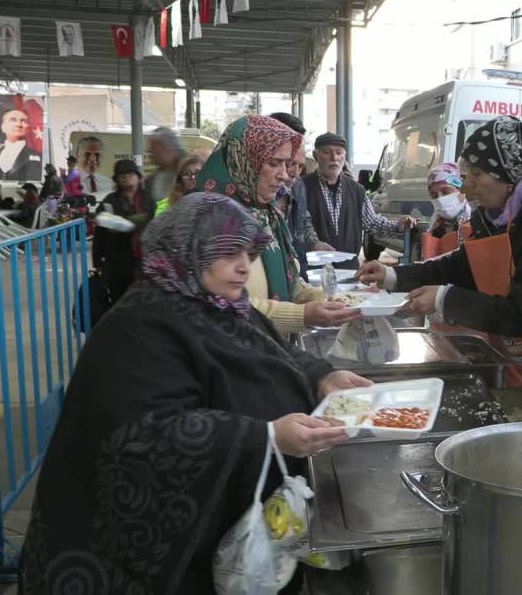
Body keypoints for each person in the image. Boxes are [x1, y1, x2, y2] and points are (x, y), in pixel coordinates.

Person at [19, 192, 374, 594]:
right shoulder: (139, 327)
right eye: (228, 255)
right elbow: (146, 436)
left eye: (249, 253)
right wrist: (268, 436)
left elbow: (274, 351)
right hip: (143, 560)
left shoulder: (220, 303)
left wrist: (322, 376)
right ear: (185, 250)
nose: (244, 268)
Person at [358, 116, 522, 424]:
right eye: (465, 173)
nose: (467, 184)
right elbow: (464, 264)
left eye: (477, 173)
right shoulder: (497, 216)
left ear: (509, 176)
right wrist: (394, 276)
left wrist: (445, 299)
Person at [196, 115, 360, 333]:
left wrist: (338, 299)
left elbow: (291, 282)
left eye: (288, 163)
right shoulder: (206, 219)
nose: (284, 175)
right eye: (274, 163)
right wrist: (302, 315)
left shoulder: (268, 215)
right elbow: (219, 306)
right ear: (243, 159)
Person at [302, 132, 415, 269]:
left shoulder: (356, 190)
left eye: (339, 153)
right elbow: (298, 226)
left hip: (348, 270)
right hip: (311, 271)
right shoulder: (302, 187)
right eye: (326, 152)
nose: (334, 158)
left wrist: (397, 226)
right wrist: (312, 243)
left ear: (344, 156)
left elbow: (372, 223)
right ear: (315, 156)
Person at [269, 112, 331, 277]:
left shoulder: (298, 186)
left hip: (296, 275)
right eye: (288, 163)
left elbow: (303, 218)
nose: (294, 173)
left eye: (300, 166)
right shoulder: (251, 195)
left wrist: (314, 243)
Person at [93, 159, 151, 306]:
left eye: (130, 174)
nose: (126, 178)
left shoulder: (149, 198)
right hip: (118, 261)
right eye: (122, 175)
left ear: (138, 177)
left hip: (146, 259)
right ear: (117, 179)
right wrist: (98, 260)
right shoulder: (110, 200)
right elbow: (100, 232)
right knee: (119, 302)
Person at [421, 162, 472, 259]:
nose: (440, 199)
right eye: (434, 196)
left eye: (446, 192)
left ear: (462, 190)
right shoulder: (434, 226)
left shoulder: (477, 223)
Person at [0, 109, 43, 181]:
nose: (18, 124)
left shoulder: (40, 157)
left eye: (23, 121)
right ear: (3, 127)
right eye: (13, 120)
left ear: (27, 127)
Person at [146, 126, 184, 201]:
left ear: (168, 147)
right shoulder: (151, 180)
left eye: (154, 146)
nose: (149, 150)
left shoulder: (191, 174)